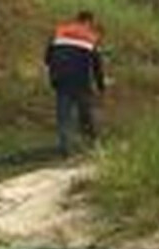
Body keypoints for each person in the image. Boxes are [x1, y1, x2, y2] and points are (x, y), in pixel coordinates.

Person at [44, 10, 106, 156]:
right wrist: (101, 85)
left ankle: (65, 148)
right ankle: (93, 145)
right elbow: (97, 65)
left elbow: (47, 57)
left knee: (63, 114)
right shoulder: (90, 36)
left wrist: (54, 71)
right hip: (80, 79)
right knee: (85, 112)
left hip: (59, 77)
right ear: (89, 22)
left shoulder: (59, 31)